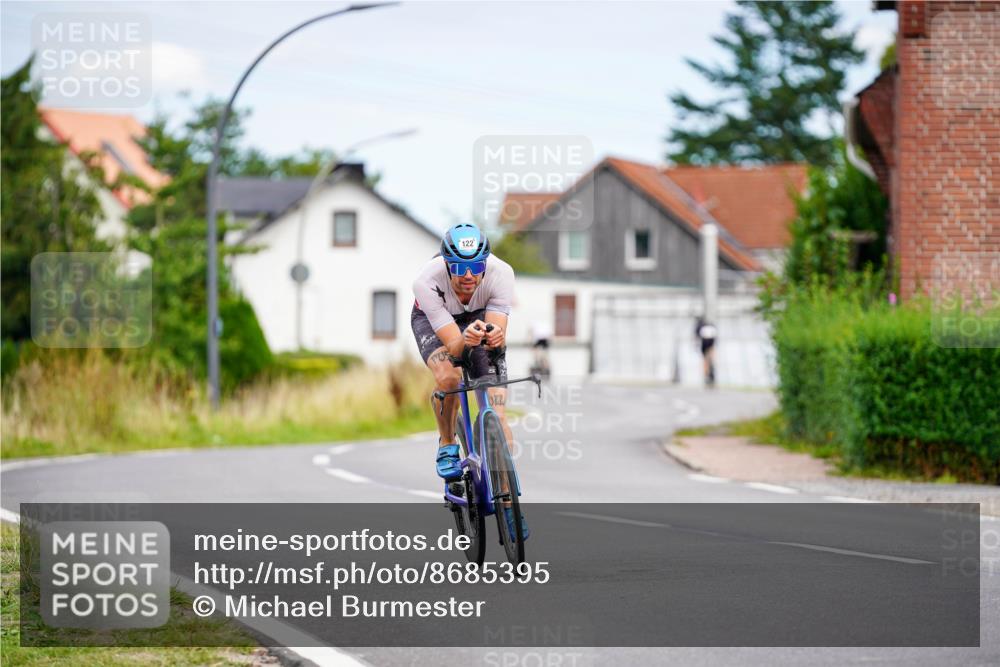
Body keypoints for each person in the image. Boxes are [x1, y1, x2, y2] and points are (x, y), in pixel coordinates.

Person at [411, 223, 527, 539]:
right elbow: (454, 348)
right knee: (448, 376)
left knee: (498, 418)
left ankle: (508, 505)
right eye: (459, 268)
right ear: (447, 264)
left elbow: (496, 338)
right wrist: (465, 340)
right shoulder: (426, 281)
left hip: (478, 319)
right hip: (437, 324)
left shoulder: (502, 274)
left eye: (476, 267)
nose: (468, 276)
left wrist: (496, 337)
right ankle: (448, 442)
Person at [694, 316, 717, 387]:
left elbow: (696, 337)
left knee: (706, 361)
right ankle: (709, 373)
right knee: (709, 359)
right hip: (710, 344)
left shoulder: (699, 326)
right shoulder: (711, 326)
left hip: (706, 344)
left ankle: (707, 374)